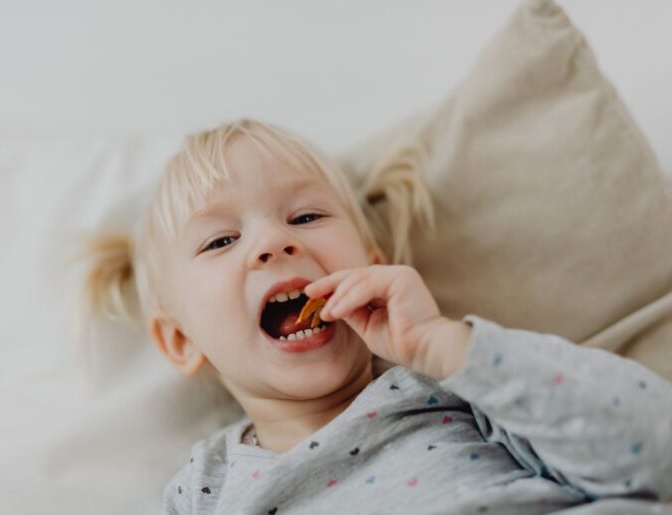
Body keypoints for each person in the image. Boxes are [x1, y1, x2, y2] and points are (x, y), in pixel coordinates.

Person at [75, 118, 672, 514]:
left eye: (305, 217)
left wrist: (451, 346)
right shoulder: (205, 487)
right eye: (220, 241)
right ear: (180, 340)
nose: (272, 243)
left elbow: (657, 449)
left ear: (373, 267)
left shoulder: (457, 384)